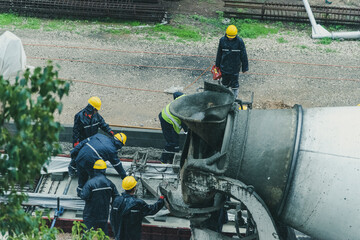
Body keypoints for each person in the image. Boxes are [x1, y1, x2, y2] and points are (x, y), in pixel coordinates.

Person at [110, 176, 165, 240]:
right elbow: (152, 210)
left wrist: (116, 232)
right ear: (134, 188)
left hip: (119, 236)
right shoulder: (138, 203)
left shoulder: (116, 201)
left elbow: (112, 219)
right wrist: (161, 200)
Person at [80, 159, 119, 236]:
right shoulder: (110, 183)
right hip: (103, 213)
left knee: (87, 233)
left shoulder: (90, 183)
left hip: (90, 213)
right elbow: (116, 197)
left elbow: (84, 196)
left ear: (95, 170)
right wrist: (111, 204)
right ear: (104, 170)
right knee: (103, 233)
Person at [215, 25, 249, 99]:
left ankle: (234, 99)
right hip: (224, 67)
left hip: (235, 68)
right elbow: (219, 54)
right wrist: (217, 65)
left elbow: (244, 55)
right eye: (229, 36)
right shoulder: (222, 40)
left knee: (234, 84)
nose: (230, 38)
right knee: (224, 83)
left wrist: (245, 68)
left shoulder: (239, 42)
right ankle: (224, 98)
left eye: (232, 37)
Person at [158, 92, 188, 164]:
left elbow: (176, 94)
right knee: (171, 143)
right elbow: (185, 125)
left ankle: (171, 157)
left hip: (163, 113)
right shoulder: (184, 111)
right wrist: (187, 131)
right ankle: (163, 161)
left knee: (175, 143)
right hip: (167, 121)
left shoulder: (183, 97)